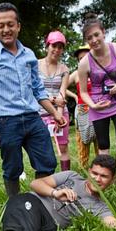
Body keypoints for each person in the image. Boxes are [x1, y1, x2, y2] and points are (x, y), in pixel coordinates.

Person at [0, 2, 65, 198]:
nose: (6, 29)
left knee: (47, 161)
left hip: (33, 118)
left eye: (10, 24)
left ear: (18, 26)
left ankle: (43, 202)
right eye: (1, 25)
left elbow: (38, 90)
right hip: (6, 122)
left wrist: (55, 113)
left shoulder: (29, 55)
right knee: (12, 168)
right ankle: (16, 207)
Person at [77, 14, 116, 188]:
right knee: (103, 144)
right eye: (89, 38)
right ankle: (105, 178)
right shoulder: (84, 63)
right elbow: (84, 91)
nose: (94, 40)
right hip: (98, 104)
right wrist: (92, 105)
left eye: (96, 35)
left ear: (103, 32)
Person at [38, 31, 71, 171]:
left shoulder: (64, 69)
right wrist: (51, 99)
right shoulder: (35, 64)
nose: (57, 50)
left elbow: (62, 93)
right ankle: (46, 179)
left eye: (60, 47)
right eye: (54, 46)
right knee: (42, 148)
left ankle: (65, 177)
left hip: (60, 112)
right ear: (47, 46)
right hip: (39, 112)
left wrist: (59, 116)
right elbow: (32, 90)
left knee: (63, 146)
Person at [67, 44, 99, 168]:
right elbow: (62, 87)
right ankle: (84, 167)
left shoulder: (99, 71)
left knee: (99, 140)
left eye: (86, 56)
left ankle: (101, 165)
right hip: (82, 110)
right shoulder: (76, 74)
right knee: (83, 140)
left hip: (98, 108)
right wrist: (74, 96)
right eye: (80, 58)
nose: (84, 59)